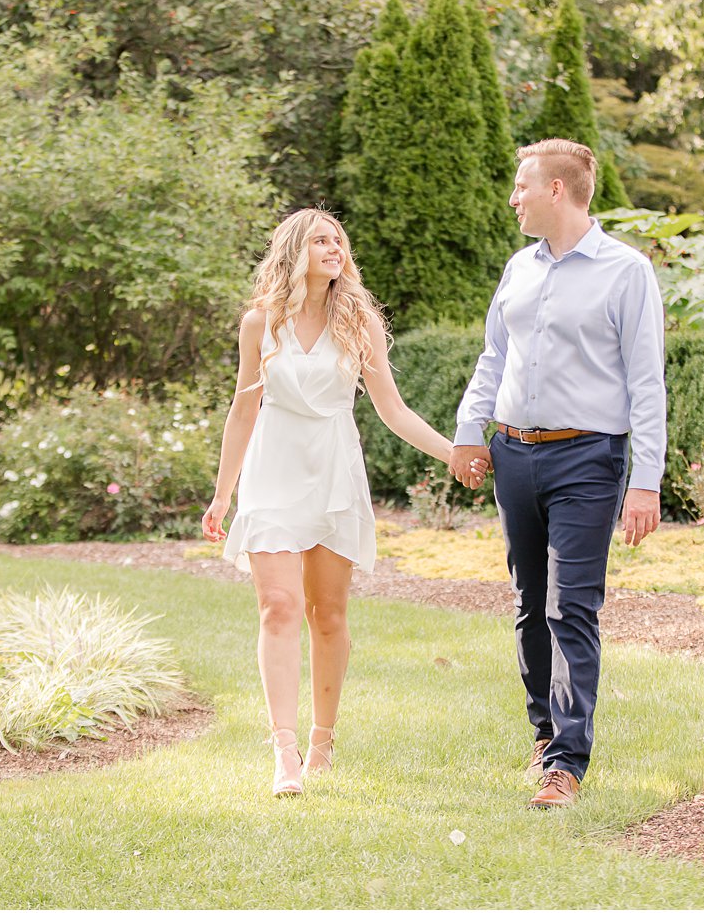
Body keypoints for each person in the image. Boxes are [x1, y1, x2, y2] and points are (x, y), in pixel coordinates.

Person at [203, 207, 475, 798]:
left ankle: (322, 743)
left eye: (338, 240)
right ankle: (285, 754)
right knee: (278, 605)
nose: (334, 248)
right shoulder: (260, 322)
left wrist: (453, 452)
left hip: (333, 470)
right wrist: (223, 495)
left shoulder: (359, 320)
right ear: (294, 251)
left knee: (327, 615)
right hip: (273, 469)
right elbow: (243, 408)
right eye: (321, 240)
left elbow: (392, 410)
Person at [449, 138, 667, 809]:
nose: (513, 198)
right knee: (527, 603)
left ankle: (567, 763)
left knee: (571, 604)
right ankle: (544, 735)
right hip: (514, 453)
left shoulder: (626, 273)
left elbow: (646, 382)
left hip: (588, 458)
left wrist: (645, 478)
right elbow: (494, 358)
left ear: (558, 190)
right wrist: (469, 430)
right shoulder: (518, 269)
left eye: (522, 186)